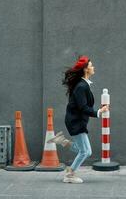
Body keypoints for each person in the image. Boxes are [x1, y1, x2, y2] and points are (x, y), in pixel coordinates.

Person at [47, 55, 109, 183]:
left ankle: (63, 141)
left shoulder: (84, 85)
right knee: (85, 152)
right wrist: (99, 112)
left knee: (86, 151)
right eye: (91, 66)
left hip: (77, 120)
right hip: (75, 122)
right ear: (86, 69)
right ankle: (69, 175)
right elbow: (83, 107)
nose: (93, 67)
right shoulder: (82, 86)